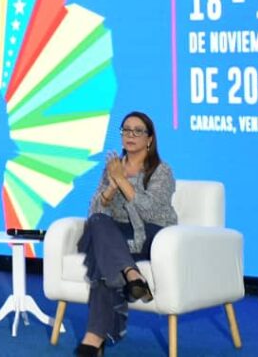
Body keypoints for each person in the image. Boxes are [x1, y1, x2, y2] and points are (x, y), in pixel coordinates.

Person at [73, 111, 177, 356]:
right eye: (126, 130)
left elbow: (152, 212)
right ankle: (131, 275)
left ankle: (94, 339)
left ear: (149, 139)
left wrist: (123, 181)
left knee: (100, 258)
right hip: (117, 235)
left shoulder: (162, 171)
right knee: (98, 223)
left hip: (153, 234)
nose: (131, 135)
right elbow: (94, 210)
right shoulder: (113, 167)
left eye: (138, 130)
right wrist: (112, 184)